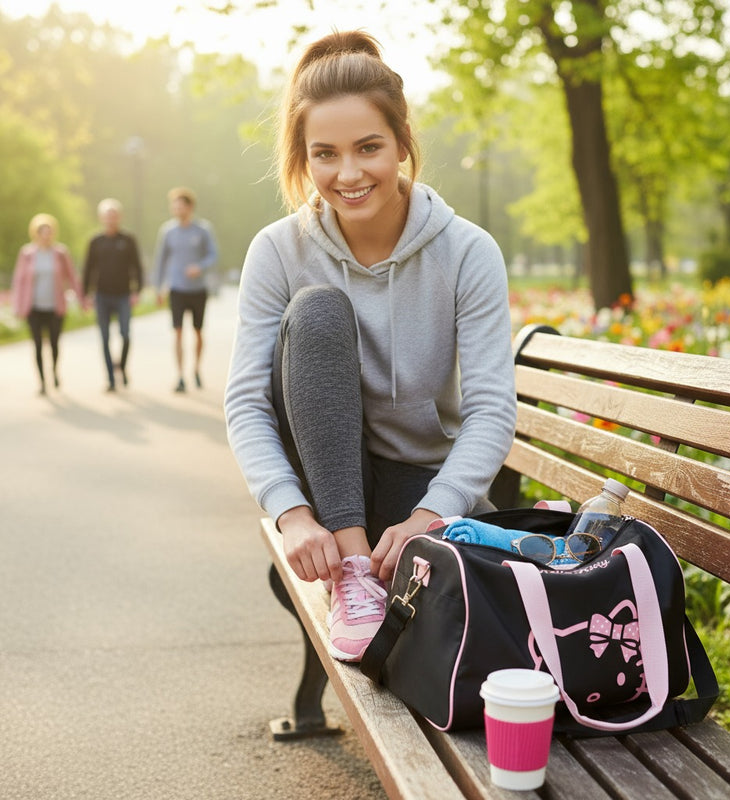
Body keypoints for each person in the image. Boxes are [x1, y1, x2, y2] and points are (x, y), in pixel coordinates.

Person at [224, 31, 517, 663]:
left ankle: (370, 567)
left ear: (403, 142)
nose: (348, 174)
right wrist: (291, 514)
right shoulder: (278, 250)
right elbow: (246, 401)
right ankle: (352, 567)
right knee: (319, 310)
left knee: (460, 639)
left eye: (369, 148)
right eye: (324, 153)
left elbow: (492, 408)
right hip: (327, 485)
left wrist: (433, 513)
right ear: (301, 157)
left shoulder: (467, 252)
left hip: (418, 483)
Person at [11, 213, 86, 395]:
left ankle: (54, 371)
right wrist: (18, 307)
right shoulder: (27, 253)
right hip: (34, 307)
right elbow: (19, 280)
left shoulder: (60, 253)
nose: (46, 235)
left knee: (54, 343)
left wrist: (81, 300)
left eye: (49, 232)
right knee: (37, 344)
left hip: (55, 307)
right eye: (42, 232)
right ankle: (43, 382)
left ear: (53, 233)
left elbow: (72, 277)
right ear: (35, 233)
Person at [153, 187, 218, 392]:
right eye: (174, 206)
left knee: (198, 332)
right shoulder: (168, 231)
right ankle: (180, 375)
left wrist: (200, 267)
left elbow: (213, 255)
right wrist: (158, 287)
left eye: (180, 206)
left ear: (189, 207)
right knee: (178, 332)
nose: (177, 209)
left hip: (198, 289)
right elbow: (160, 260)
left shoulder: (203, 230)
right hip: (176, 288)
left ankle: (196, 369)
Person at [82, 198, 144, 391]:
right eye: (107, 215)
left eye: (114, 215)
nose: (111, 219)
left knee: (125, 334)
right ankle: (110, 378)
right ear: (102, 218)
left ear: (119, 217)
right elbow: (88, 268)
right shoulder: (95, 241)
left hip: (124, 295)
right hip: (101, 296)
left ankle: (122, 367)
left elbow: (137, 267)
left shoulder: (128, 240)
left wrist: (137, 291)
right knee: (105, 338)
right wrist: (86, 294)